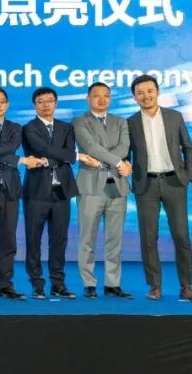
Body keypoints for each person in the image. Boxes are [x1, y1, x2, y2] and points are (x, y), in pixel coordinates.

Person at [127, 74, 192, 302]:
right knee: (148, 238)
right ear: (134, 97)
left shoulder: (174, 116)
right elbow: (124, 156)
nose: (146, 96)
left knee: (181, 235)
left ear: (157, 92)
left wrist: (187, 175)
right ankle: (155, 286)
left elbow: (188, 147)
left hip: (174, 183)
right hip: (145, 185)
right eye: (140, 93)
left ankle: (186, 286)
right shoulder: (129, 123)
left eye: (150, 91)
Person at [0, 87, 42, 300]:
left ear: (7, 104)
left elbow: (9, 146)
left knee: (9, 240)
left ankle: (6, 285)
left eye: (1, 102)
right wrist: (21, 160)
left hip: (10, 189)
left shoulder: (16, 128)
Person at [72, 82, 133, 299]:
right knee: (87, 238)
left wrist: (107, 160)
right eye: (96, 95)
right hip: (90, 188)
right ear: (88, 98)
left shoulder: (121, 121)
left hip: (118, 186)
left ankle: (112, 284)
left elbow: (124, 147)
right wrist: (118, 162)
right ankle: (89, 283)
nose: (102, 99)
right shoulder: (79, 121)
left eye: (106, 95)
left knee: (115, 239)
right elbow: (90, 147)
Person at [21, 87, 79, 300]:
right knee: (33, 239)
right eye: (41, 101)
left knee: (59, 240)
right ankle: (37, 283)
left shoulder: (67, 127)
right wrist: (61, 156)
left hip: (61, 192)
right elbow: (42, 148)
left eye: (50, 101)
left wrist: (48, 160)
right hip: (36, 192)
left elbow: (70, 155)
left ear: (56, 103)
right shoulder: (28, 128)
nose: (46, 105)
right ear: (34, 104)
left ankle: (58, 283)